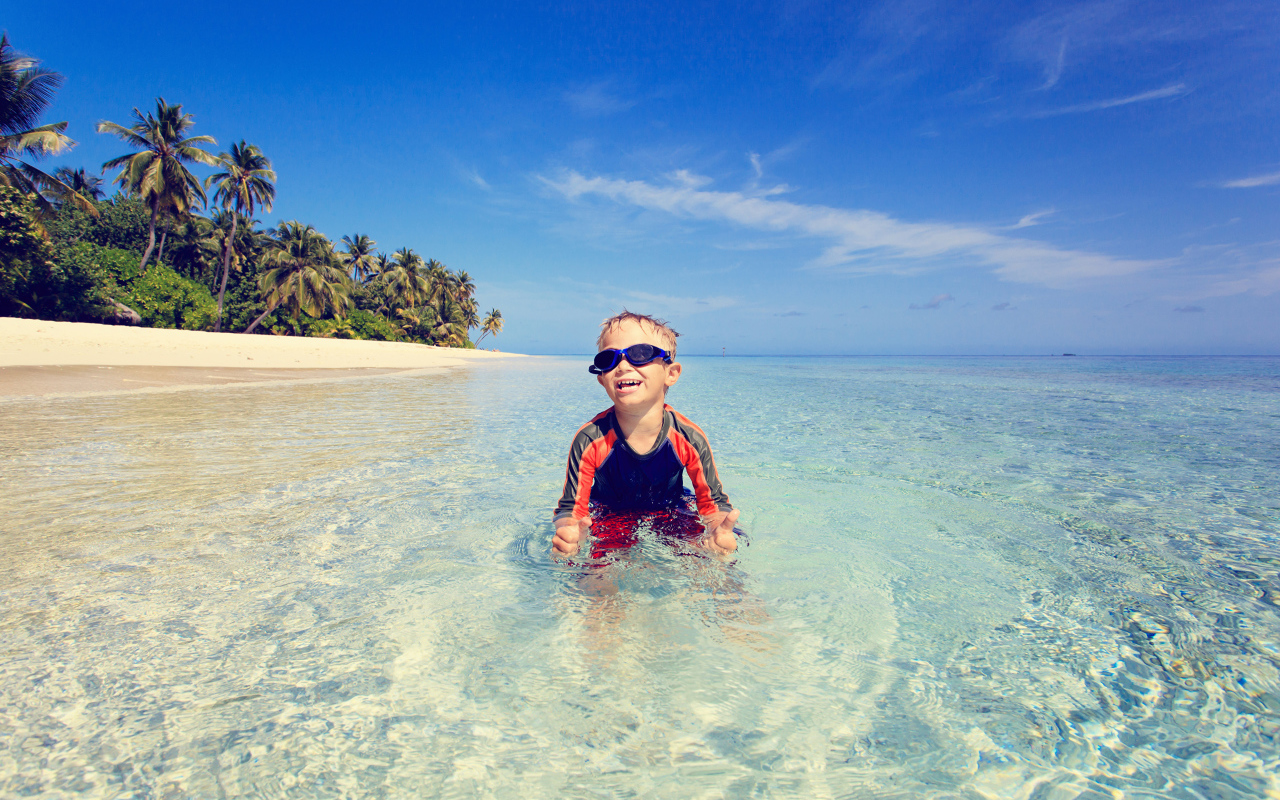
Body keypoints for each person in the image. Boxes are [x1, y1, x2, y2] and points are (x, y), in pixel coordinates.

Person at [552, 310, 740, 557]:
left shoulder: (688, 438)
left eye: (640, 353)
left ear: (671, 373)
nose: (622, 366)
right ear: (601, 379)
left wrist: (717, 529)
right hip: (611, 514)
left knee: (711, 558)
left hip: (671, 510)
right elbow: (571, 508)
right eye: (609, 359)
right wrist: (569, 532)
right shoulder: (590, 439)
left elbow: (712, 503)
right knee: (599, 579)